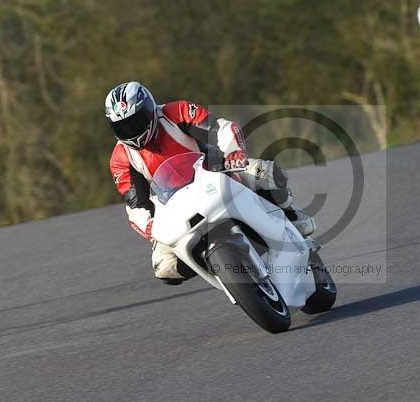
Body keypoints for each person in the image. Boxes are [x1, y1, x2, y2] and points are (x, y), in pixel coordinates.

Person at [106, 81, 315, 284]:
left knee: (264, 172)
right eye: (123, 127)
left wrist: (233, 151)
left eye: (136, 121)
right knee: (164, 268)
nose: (132, 131)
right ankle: (218, 267)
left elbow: (220, 128)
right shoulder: (121, 158)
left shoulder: (176, 113)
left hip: (215, 172)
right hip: (172, 204)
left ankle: (291, 215)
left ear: (150, 108)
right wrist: (150, 227)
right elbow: (136, 205)